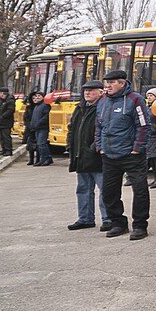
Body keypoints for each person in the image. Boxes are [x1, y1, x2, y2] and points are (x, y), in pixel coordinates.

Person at [95, 70, 150, 240]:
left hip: (131, 155)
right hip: (109, 155)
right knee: (108, 192)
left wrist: (137, 148)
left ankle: (140, 225)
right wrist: (100, 147)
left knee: (140, 190)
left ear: (122, 83)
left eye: (111, 83)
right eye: (106, 83)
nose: (107, 86)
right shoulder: (103, 101)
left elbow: (143, 125)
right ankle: (118, 222)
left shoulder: (135, 99)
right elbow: (98, 125)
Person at [67, 80, 111, 231]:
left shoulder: (104, 106)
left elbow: (107, 129)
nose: (87, 93)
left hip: (98, 156)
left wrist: (94, 148)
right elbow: (72, 129)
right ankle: (85, 218)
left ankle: (108, 219)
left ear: (101, 92)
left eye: (91, 90)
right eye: (85, 90)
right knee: (83, 189)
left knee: (104, 189)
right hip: (81, 156)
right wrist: (70, 146)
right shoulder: (80, 108)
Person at [144, 88, 156, 189]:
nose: (149, 97)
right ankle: (155, 179)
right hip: (149, 135)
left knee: (154, 158)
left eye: (151, 95)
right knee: (151, 158)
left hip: (154, 135)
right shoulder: (148, 107)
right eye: (148, 95)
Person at [29, 90, 53, 166]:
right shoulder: (36, 106)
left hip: (43, 128)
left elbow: (45, 117)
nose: (37, 97)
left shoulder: (45, 105)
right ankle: (43, 159)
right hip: (37, 128)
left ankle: (47, 159)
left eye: (39, 96)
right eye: (36, 96)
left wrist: (38, 124)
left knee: (42, 144)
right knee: (39, 145)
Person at [0, 88, 16, 156]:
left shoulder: (10, 101)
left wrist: (3, 116)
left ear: (4, 93)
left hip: (7, 122)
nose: (0, 95)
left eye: (1, 93)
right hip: (2, 122)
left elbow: (10, 110)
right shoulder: (3, 101)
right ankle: (4, 149)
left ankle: (8, 150)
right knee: (2, 137)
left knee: (6, 137)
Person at [23, 92, 40, 165]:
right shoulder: (28, 107)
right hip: (30, 128)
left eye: (36, 98)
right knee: (30, 145)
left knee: (38, 144)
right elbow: (25, 117)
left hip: (38, 127)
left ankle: (38, 159)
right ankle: (31, 159)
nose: (34, 99)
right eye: (33, 98)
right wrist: (28, 125)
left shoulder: (40, 106)